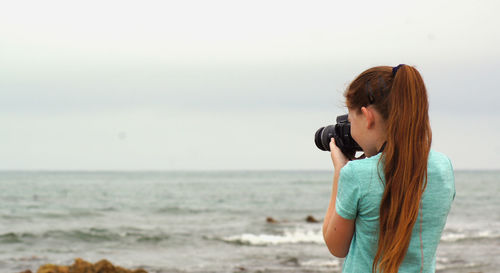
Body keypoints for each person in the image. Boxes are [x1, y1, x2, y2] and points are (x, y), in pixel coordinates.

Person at [322, 64, 455, 273]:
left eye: (350, 120)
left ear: (367, 117)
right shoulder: (443, 167)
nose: (351, 130)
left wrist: (340, 171)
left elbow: (336, 246)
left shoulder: (356, 174)